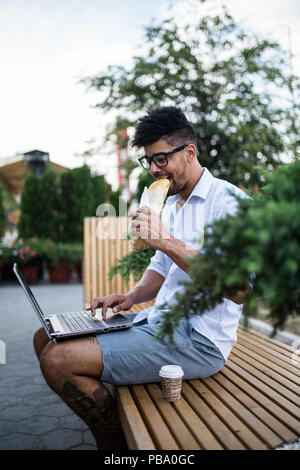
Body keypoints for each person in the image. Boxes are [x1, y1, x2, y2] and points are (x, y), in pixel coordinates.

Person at [33, 106, 248, 450]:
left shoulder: (230, 203)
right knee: (46, 336)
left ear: (189, 152)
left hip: (198, 340)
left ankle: (114, 445)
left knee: (59, 360)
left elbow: (238, 289)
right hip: (156, 320)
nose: (153, 169)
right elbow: (162, 268)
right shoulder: (175, 203)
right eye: (148, 161)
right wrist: (130, 297)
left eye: (161, 159)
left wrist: (163, 239)